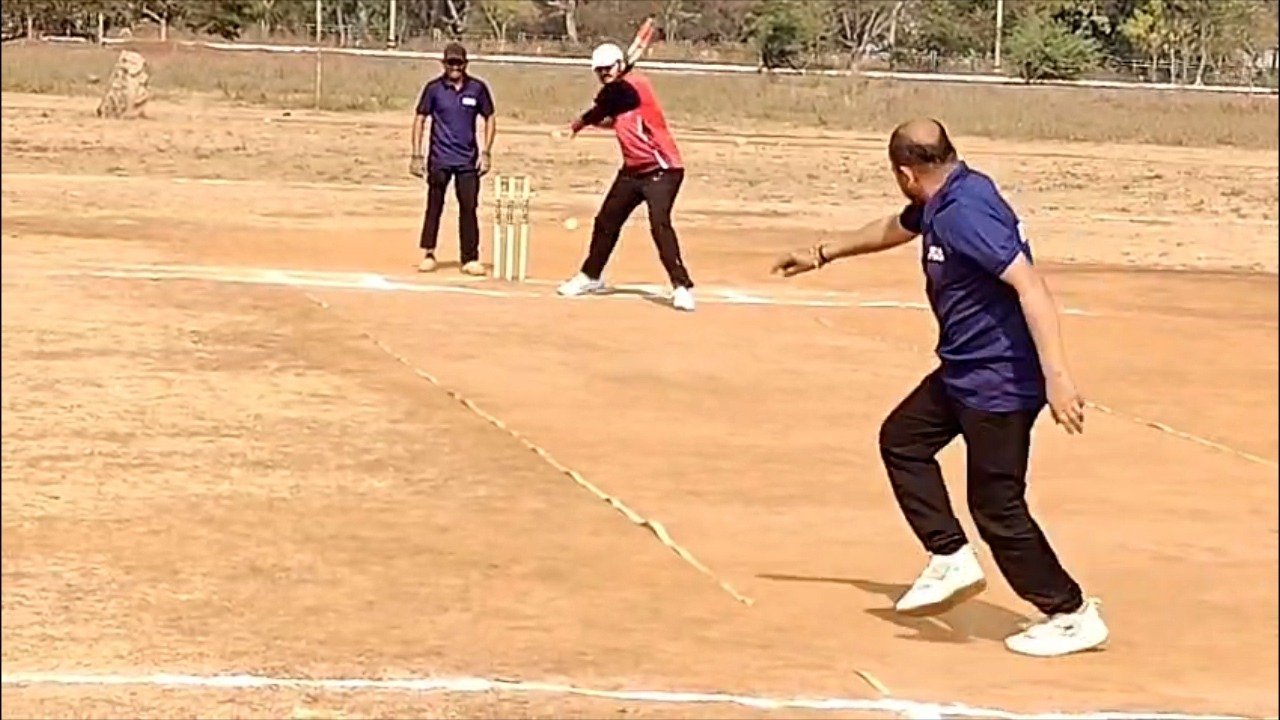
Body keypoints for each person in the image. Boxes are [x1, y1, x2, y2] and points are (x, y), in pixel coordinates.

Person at [772, 118, 1109, 658]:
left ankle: (1070, 613)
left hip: (1000, 381)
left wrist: (1057, 379)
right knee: (903, 439)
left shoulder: (964, 214)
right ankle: (950, 555)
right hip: (963, 372)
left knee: (997, 507)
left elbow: (1030, 286)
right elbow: (897, 225)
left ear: (906, 173)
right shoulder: (951, 191)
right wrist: (823, 252)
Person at [557, 42, 696, 312]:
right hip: (633, 171)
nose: (603, 73)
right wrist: (594, 119)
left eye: (607, 68)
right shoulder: (616, 94)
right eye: (599, 70)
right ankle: (591, 276)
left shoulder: (635, 85)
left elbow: (609, 102)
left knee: (659, 224)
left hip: (662, 169)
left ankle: (682, 287)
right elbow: (609, 116)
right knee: (606, 221)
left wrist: (577, 125)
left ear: (620, 65)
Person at [410, 42, 496, 276]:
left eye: (459, 63)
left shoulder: (477, 89)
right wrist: (416, 154)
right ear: (444, 64)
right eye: (451, 63)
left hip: (467, 160)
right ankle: (429, 253)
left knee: (469, 207)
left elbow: (489, 117)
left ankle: (470, 258)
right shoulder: (434, 89)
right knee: (434, 206)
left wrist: (486, 152)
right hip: (439, 158)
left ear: (465, 64)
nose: (455, 67)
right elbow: (420, 118)